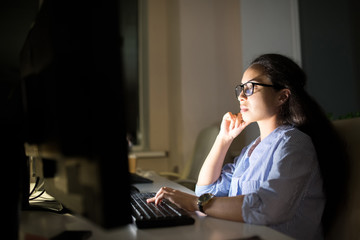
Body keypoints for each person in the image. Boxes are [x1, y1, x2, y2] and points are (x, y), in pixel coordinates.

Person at [147, 54, 348, 240]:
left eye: (250, 87)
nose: (241, 96)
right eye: (240, 88)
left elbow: (267, 207)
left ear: (282, 96)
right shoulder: (251, 150)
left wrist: (195, 204)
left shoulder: (294, 144)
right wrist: (223, 139)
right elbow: (206, 190)